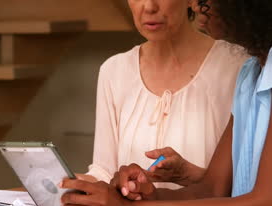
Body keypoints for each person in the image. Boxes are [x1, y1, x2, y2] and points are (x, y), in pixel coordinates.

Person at [61, 0, 272, 206]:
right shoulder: (251, 73)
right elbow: (212, 190)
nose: (197, 4)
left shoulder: (238, 70)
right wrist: (148, 195)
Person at [78, 0, 248, 192]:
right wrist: (68, 182)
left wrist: (188, 173)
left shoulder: (238, 66)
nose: (149, 7)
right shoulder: (114, 70)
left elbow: (250, 183)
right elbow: (105, 173)